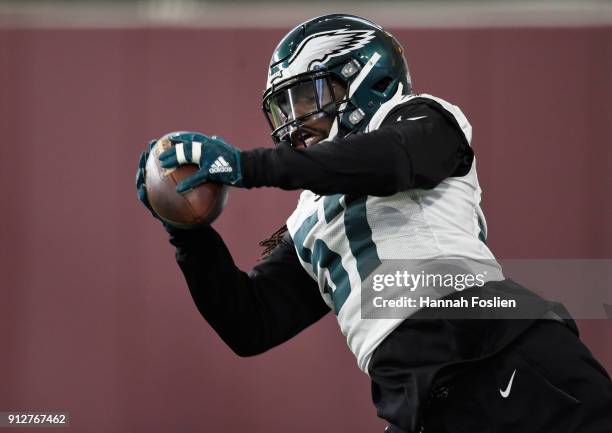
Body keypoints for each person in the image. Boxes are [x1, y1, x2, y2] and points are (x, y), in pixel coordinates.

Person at [135, 14, 612, 433]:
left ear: (365, 77)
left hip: (501, 357)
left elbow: (389, 160)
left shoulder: (422, 119)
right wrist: (185, 230)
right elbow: (250, 324)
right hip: (421, 401)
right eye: (287, 107)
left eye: (308, 96)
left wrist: (250, 166)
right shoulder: (310, 215)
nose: (295, 120)